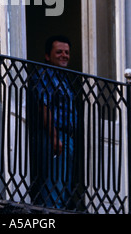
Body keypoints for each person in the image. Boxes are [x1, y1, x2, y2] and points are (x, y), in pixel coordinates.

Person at [29, 35, 77, 210]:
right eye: (59, 52)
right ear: (48, 56)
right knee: (53, 183)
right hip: (53, 136)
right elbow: (44, 107)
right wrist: (54, 137)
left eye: (67, 52)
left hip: (66, 137)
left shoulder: (63, 78)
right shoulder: (45, 75)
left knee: (63, 183)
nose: (64, 55)